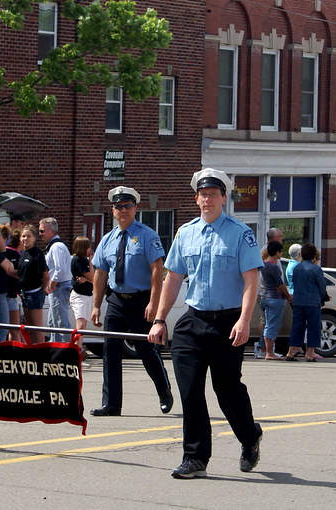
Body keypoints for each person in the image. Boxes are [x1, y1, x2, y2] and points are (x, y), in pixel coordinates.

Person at [149, 168, 263, 479]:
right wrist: (160, 319)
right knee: (190, 391)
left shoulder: (241, 234)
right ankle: (195, 457)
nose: (207, 199)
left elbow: (251, 281)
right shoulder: (185, 233)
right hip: (193, 322)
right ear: (196, 198)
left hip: (228, 323)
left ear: (224, 198)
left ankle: (250, 436)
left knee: (227, 390)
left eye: (214, 194)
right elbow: (173, 279)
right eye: (203, 194)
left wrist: (244, 320)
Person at [90, 186, 173, 416]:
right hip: (116, 300)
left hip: (141, 299)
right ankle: (112, 403)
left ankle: (164, 391)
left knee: (147, 351)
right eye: (118, 206)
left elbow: (157, 270)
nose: (123, 210)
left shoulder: (147, 235)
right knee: (111, 351)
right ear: (112, 210)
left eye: (127, 206)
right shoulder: (107, 240)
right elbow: (100, 273)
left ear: (135, 208)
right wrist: (96, 305)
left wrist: (153, 304)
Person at [283, 243, 327, 363]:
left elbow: (295, 283)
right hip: (312, 302)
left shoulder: (297, 268)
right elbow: (322, 287)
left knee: (297, 326)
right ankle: (309, 353)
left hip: (298, 301)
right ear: (314, 256)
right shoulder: (316, 269)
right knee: (313, 327)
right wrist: (322, 296)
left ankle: (290, 352)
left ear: (301, 255)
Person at [16, 224, 51, 343]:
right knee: (29, 328)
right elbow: (20, 273)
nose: (25, 239)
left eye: (28, 236)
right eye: (23, 236)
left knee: (36, 328)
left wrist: (43, 288)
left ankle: (40, 353)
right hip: (24, 294)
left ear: (34, 238)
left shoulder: (37, 254)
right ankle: (33, 352)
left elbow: (46, 274)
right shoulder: (22, 253)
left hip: (35, 293)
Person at [40, 217, 72, 339]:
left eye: (42, 231)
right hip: (57, 288)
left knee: (60, 323)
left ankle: (66, 351)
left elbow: (60, 268)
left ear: (51, 231)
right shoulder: (54, 246)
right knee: (53, 323)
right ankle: (56, 350)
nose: (40, 234)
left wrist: (52, 283)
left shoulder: (57, 246)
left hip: (59, 287)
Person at [257, 240, 289, 360]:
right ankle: (269, 352)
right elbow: (280, 284)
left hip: (264, 297)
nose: (281, 255)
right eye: (281, 252)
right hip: (274, 298)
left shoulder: (263, 264)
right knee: (272, 326)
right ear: (277, 252)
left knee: (267, 324)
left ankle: (265, 349)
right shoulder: (273, 266)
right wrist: (287, 295)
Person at [70, 236, 95, 360]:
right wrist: (89, 279)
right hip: (79, 295)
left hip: (87, 295)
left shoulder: (85, 260)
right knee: (80, 324)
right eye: (88, 247)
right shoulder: (77, 260)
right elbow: (91, 277)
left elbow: (93, 277)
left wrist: (90, 261)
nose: (90, 249)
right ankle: (75, 349)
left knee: (83, 324)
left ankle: (78, 348)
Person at [0, 225, 24, 342]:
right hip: (2, 294)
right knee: (7, 327)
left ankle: (17, 350)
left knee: (14, 328)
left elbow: (19, 272)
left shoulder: (15, 254)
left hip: (12, 294)